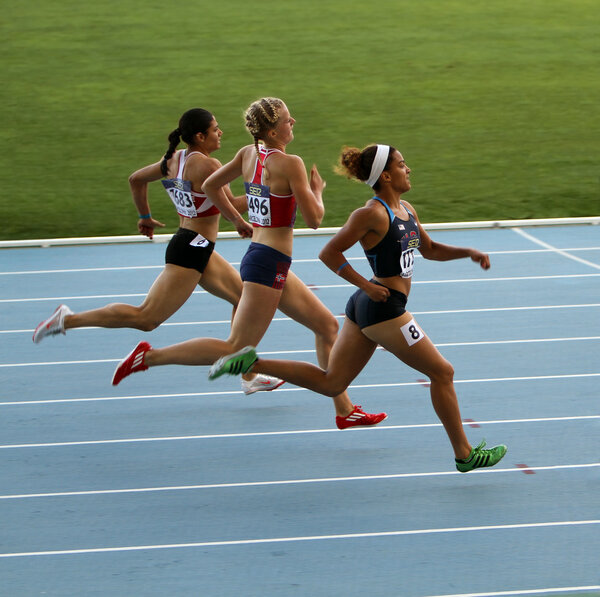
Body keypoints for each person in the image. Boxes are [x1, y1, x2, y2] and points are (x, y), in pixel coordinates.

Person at [208, 143, 508, 472]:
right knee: (443, 372)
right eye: (403, 165)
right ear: (387, 175)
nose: (409, 170)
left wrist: (469, 252)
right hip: (384, 307)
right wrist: (365, 284)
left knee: (332, 383)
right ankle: (464, 454)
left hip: (369, 307)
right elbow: (329, 253)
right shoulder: (371, 214)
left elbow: (431, 249)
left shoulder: (406, 210)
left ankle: (253, 361)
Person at [112, 97, 386, 430]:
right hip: (268, 263)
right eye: (287, 120)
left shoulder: (247, 154)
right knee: (235, 348)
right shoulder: (291, 164)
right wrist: (317, 191)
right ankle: (150, 357)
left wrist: (238, 219)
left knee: (327, 326)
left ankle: (344, 410)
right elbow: (314, 219)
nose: (293, 122)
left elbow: (212, 187)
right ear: (272, 131)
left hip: (265, 259)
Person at [32, 107, 283, 395]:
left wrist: (144, 216)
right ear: (200, 136)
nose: (220, 133)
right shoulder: (208, 166)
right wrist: (263, 194)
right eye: (216, 129)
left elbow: (135, 179)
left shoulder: (174, 160)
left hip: (193, 244)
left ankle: (247, 374)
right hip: (191, 251)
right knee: (146, 318)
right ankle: (68, 319)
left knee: (242, 298)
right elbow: (229, 204)